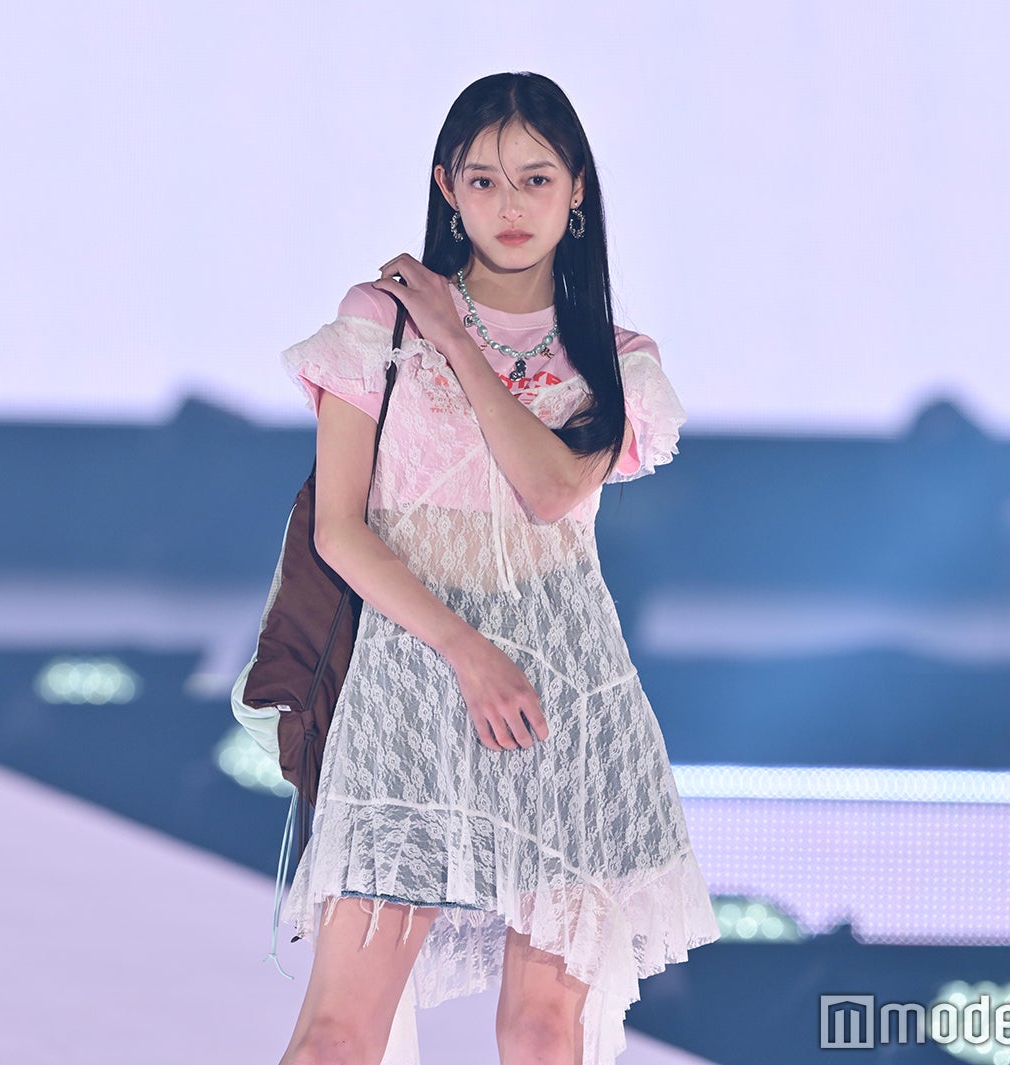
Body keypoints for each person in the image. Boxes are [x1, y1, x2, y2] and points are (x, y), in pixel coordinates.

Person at [272, 72, 720, 1065]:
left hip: (567, 699)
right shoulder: (375, 320)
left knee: (541, 1030)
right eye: (483, 180)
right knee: (336, 1035)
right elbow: (341, 530)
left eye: (535, 179)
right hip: (412, 683)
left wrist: (456, 336)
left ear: (577, 190)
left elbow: (550, 490)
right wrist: (466, 653)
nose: (510, 205)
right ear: (447, 188)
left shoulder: (615, 356)